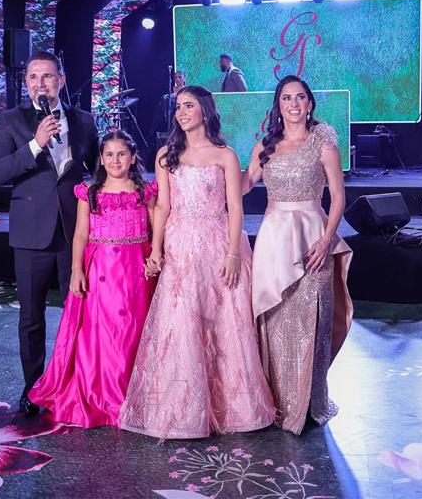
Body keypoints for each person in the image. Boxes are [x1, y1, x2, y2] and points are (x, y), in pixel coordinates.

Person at [119, 85, 274, 439]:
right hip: (180, 243)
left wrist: (233, 253)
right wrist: (156, 250)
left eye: (189, 106)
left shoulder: (225, 155)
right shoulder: (166, 155)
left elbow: (235, 208)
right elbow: (162, 206)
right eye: (178, 107)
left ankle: (230, 407)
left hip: (218, 242)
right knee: (183, 321)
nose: (181, 112)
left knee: (224, 320)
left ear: (205, 110)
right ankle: (183, 410)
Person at [0, 51, 99, 416]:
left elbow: (98, 170)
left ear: (61, 80)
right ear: (26, 83)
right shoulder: (10, 120)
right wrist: (35, 144)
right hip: (31, 232)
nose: (40, 84)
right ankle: (33, 386)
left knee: (77, 311)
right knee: (31, 316)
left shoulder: (84, 120)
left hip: (73, 230)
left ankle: (74, 382)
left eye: (47, 76)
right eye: (33, 77)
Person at [242, 75, 353, 435]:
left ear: (309, 104)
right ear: (278, 105)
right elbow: (243, 184)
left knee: (311, 322)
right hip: (274, 240)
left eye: (300, 97)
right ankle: (274, 401)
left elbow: (338, 197)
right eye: (286, 98)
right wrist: (211, 169)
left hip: (312, 238)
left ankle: (307, 403)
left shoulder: (324, 142)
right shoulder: (265, 146)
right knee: (274, 317)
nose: (293, 103)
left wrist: (327, 239)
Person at [29, 130, 157, 427]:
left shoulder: (144, 191)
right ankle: (101, 392)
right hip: (100, 271)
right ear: (101, 158)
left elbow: (156, 226)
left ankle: (131, 392)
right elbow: (80, 235)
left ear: (133, 157)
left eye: (121, 154)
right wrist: (76, 270)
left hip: (135, 271)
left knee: (133, 329)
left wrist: (157, 256)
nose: (115, 160)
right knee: (101, 332)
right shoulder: (89, 192)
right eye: (109, 155)